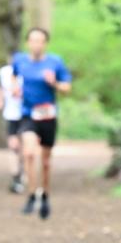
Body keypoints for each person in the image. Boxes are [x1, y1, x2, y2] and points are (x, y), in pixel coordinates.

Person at [12, 27, 72, 219]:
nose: (36, 44)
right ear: (27, 43)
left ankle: (44, 194)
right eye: (33, 40)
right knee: (29, 153)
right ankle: (31, 194)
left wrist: (54, 83)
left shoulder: (55, 62)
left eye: (40, 41)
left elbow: (67, 88)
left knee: (45, 161)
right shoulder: (19, 60)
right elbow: (13, 76)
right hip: (28, 114)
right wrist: (14, 87)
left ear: (45, 43)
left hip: (47, 116)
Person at [0, 62, 25, 193]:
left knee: (24, 146)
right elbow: (0, 87)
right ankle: (16, 176)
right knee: (13, 145)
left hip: (26, 113)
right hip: (11, 114)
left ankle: (23, 171)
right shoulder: (4, 72)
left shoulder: (27, 69)